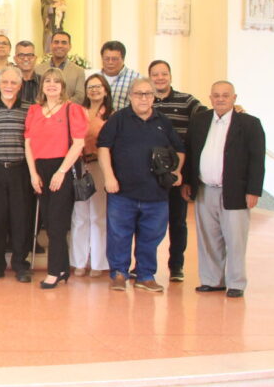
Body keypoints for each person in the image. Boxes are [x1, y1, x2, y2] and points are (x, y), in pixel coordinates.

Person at [97, 78, 186, 292]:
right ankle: (119, 273)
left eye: (147, 93)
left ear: (154, 96)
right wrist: (109, 177)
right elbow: (103, 148)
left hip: (156, 193)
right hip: (122, 192)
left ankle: (145, 275)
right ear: (130, 96)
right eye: (139, 94)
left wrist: (176, 171)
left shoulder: (162, 122)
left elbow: (179, 149)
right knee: (119, 235)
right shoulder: (118, 119)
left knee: (151, 236)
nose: (143, 98)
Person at [183, 81, 265, 299]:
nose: (220, 99)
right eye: (216, 95)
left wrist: (254, 190)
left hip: (235, 191)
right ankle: (212, 280)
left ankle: (236, 283)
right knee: (208, 237)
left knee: (235, 238)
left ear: (234, 98)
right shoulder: (199, 121)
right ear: (210, 98)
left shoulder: (249, 124)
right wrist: (188, 182)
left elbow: (257, 160)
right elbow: (191, 153)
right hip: (205, 190)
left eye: (225, 96)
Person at [23, 67, 87, 289]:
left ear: (63, 87)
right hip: (40, 168)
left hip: (63, 167)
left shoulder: (72, 109)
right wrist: (33, 174)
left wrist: (61, 172)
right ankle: (62, 268)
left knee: (58, 223)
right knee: (49, 222)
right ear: (42, 86)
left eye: (56, 82)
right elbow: (28, 143)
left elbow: (78, 143)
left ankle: (53, 272)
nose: (51, 84)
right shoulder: (34, 110)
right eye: (47, 81)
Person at [149, 59, 205, 282]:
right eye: (155, 74)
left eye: (164, 74)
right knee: (147, 221)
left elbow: (208, 117)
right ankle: (144, 265)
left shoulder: (187, 101)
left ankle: (176, 265)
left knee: (178, 221)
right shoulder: (144, 100)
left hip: (177, 171)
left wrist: (234, 110)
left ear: (170, 76)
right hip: (150, 173)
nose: (160, 78)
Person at [0, 67, 33, 283]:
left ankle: (21, 264)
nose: (9, 86)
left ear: (20, 86)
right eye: (5, 82)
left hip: (21, 169)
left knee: (21, 219)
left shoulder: (31, 110)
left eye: (14, 83)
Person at [72, 73, 113, 278]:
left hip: (100, 166)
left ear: (105, 90)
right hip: (78, 166)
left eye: (98, 86)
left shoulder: (112, 115)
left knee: (98, 215)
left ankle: (97, 262)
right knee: (79, 215)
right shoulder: (78, 112)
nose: (94, 90)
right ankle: (79, 262)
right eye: (90, 86)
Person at [35, 31, 86, 104]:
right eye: (56, 42)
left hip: (68, 112)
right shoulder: (38, 69)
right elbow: (36, 94)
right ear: (51, 45)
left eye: (64, 43)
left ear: (70, 46)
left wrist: (61, 107)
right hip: (43, 111)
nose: (59, 45)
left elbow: (80, 96)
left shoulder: (78, 71)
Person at [99, 40, 142, 110]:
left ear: (123, 59)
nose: (110, 62)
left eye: (114, 59)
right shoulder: (94, 79)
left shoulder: (136, 79)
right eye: (106, 59)